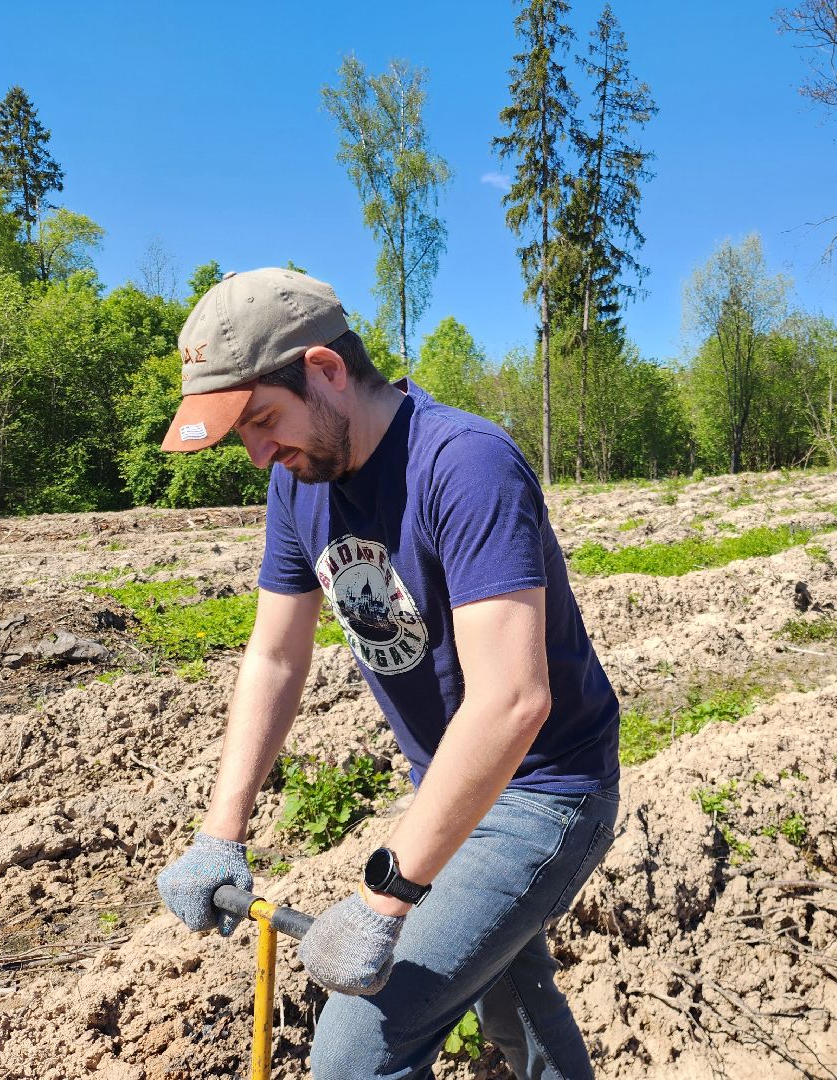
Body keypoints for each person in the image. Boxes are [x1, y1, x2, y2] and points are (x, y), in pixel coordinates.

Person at [154, 268, 620, 1080]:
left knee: (358, 1041)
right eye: (241, 433)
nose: (258, 450)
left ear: (326, 371)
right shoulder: (297, 482)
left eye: (264, 418)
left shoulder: (464, 464)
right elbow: (274, 655)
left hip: (547, 786)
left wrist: (385, 898)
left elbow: (513, 702)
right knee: (508, 988)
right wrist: (219, 831)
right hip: (456, 779)